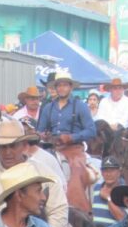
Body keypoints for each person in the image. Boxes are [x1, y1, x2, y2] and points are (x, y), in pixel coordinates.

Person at [37, 70, 97, 211]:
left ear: (70, 87)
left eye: (65, 85)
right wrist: (43, 135)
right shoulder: (48, 108)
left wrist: (71, 137)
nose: (62, 88)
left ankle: (78, 210)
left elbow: (91, 130)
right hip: (51, 148)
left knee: (76, 173)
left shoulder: (80, 106)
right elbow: (40, 131)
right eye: (59, 85)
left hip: (73, 150)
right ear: (56, 87)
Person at [92, 157, 126, 227]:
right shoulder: (96, 188)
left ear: (119, 172)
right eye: (105, 171)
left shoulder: (125, 191)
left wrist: (108, 198)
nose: (108, 174)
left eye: (112, 171)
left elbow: (123, 220)